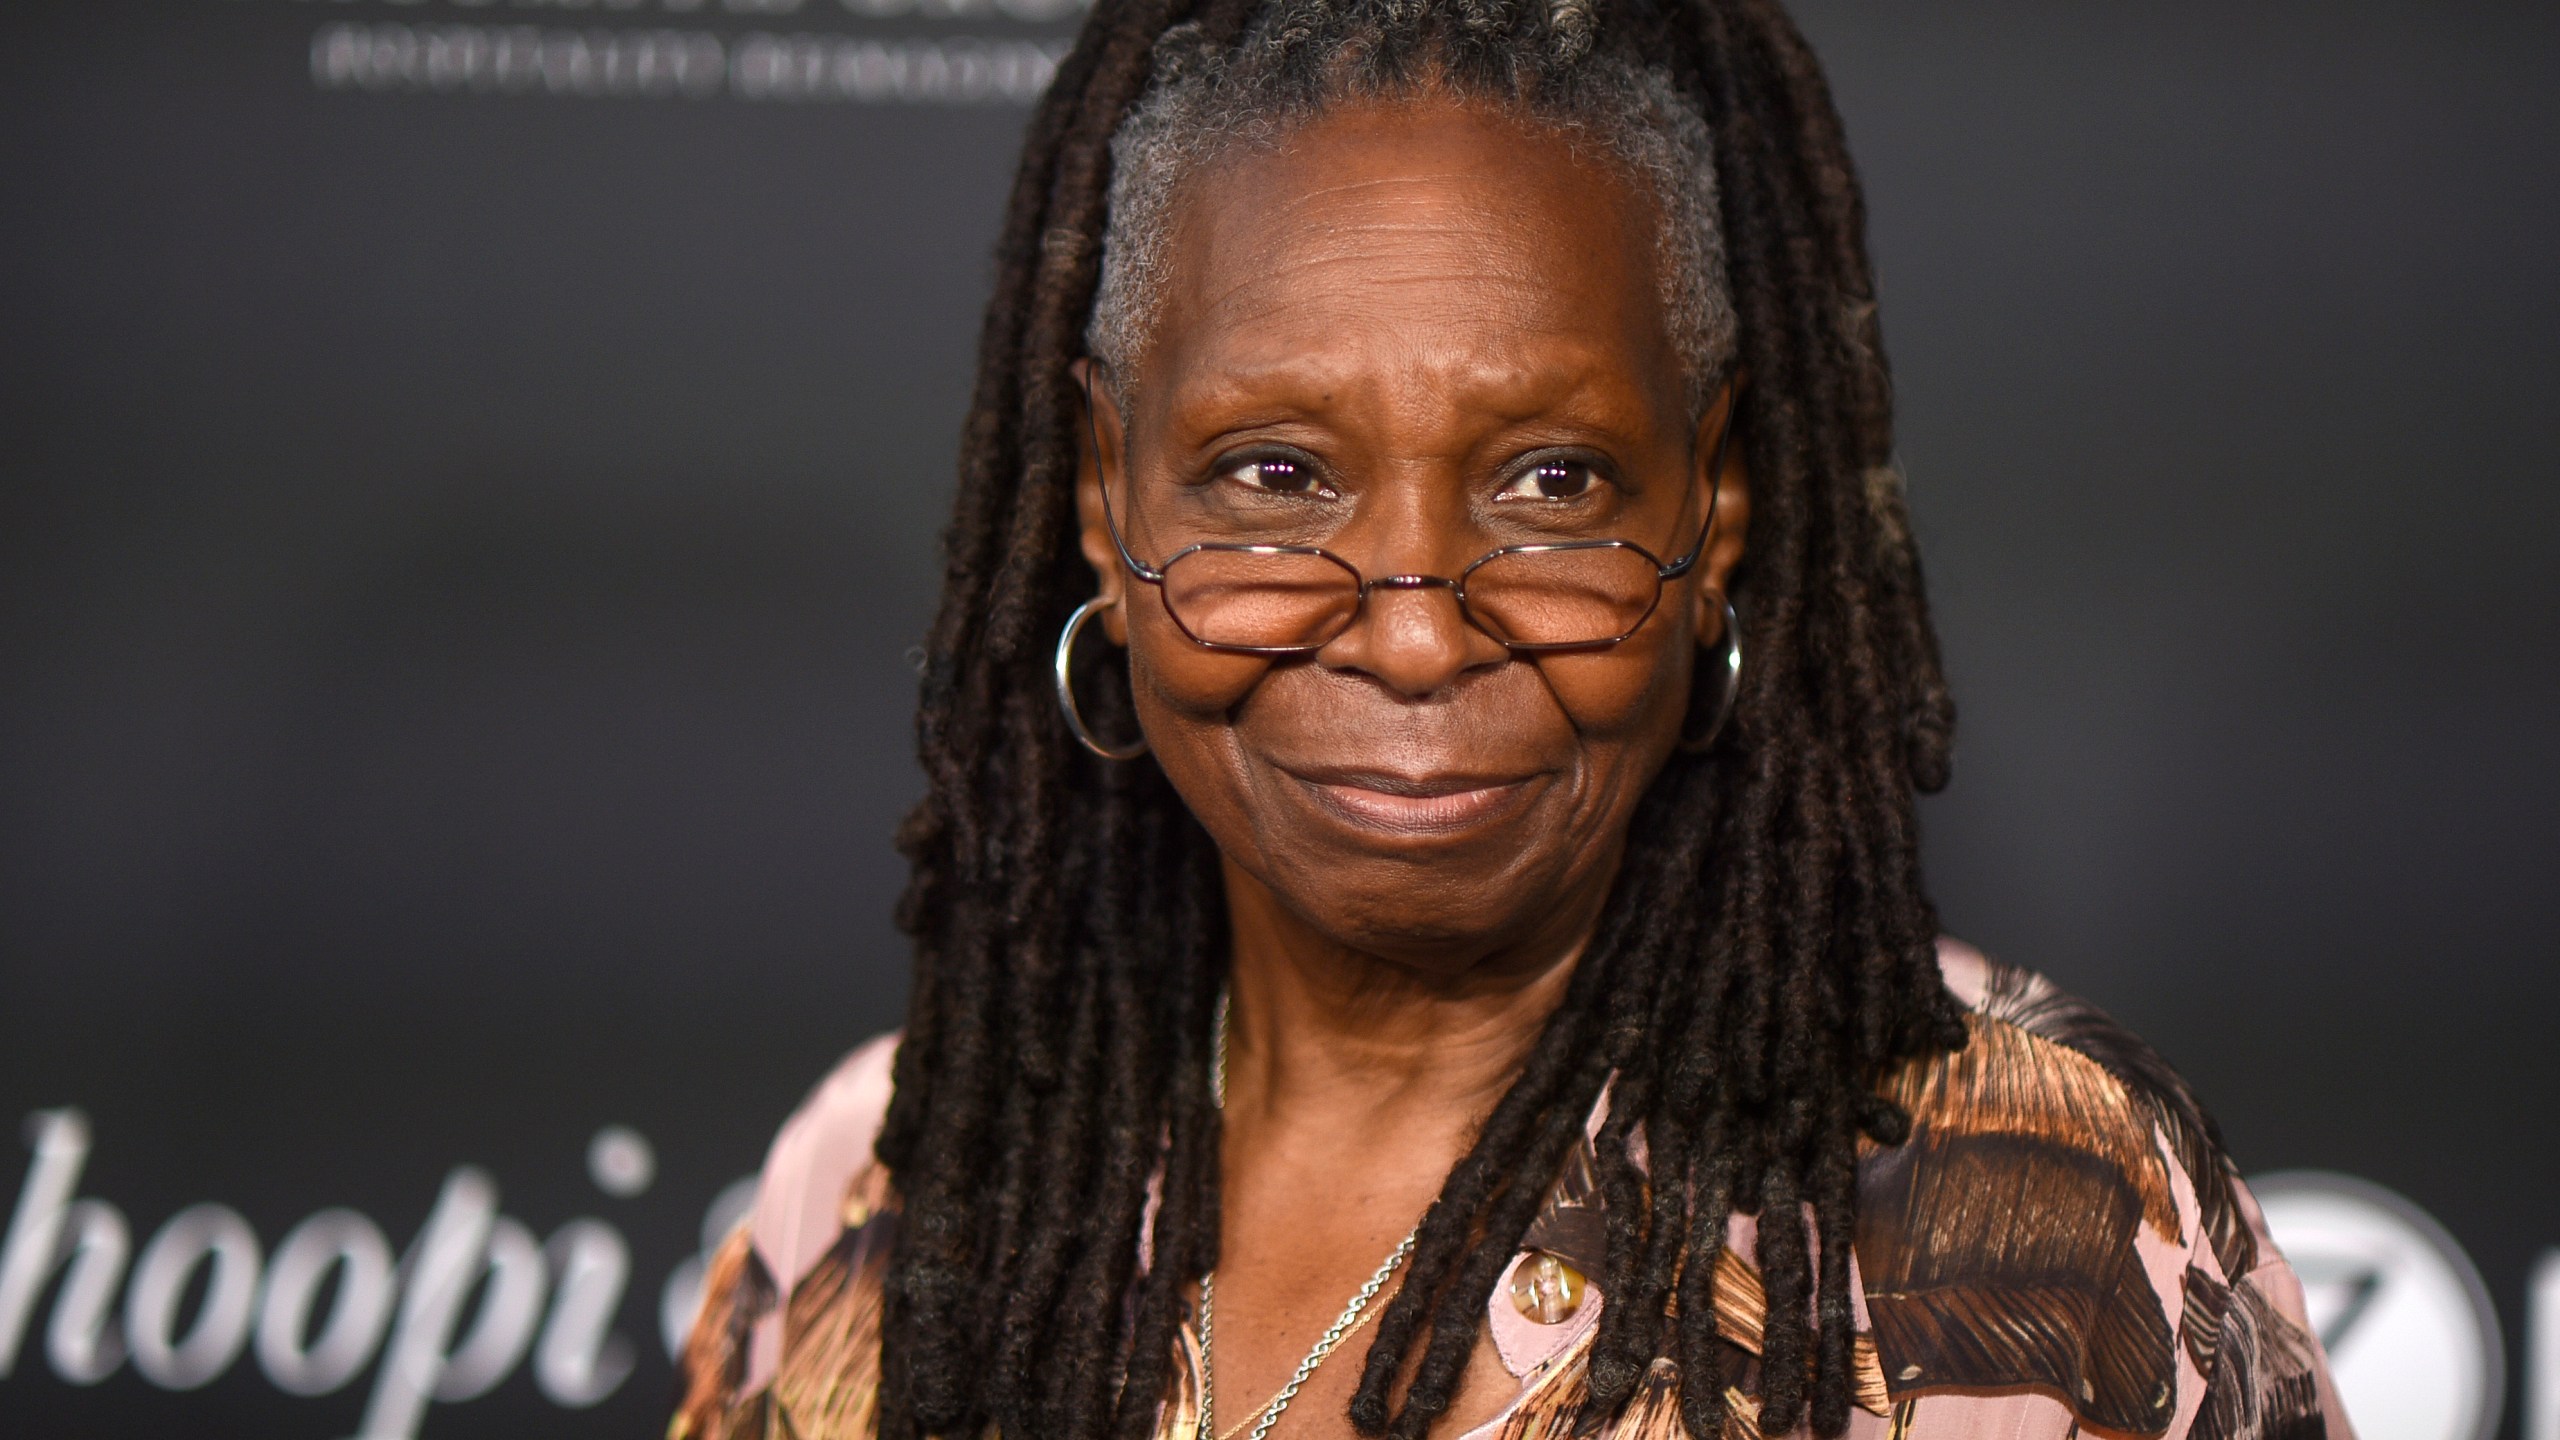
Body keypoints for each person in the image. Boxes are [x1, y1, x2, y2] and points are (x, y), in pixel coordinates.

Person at [673, 0, 2353, 1435]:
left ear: (1713, 512)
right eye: (1277, 474)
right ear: (1109, 506)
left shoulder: (2033, 1208)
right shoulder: (884, 1185)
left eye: (1554, 482)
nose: (1415, 636)